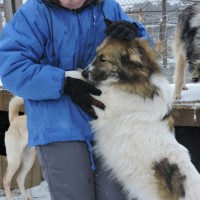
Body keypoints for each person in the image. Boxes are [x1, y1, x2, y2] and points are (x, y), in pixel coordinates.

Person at [0, 0, 153, 199]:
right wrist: (64, 83)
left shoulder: (108, 8)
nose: (72, 1)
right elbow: (12, 69)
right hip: (57, 125)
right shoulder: (33, 14)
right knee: (75, 193)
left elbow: (145, 55)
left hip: (109, 122)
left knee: (115, 195)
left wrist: (135, 35)